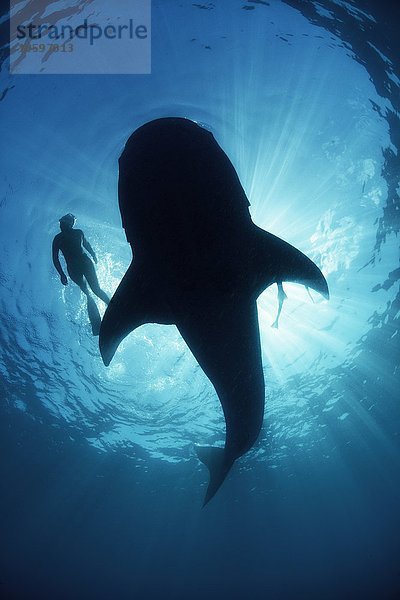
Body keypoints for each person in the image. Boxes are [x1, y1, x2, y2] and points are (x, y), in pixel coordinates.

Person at [52, 213, 109, 335]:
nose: (61, 224)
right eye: (61, 222)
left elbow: (86, 244)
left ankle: (112, 305)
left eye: (64, 222)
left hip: (84, 262)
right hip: (73, 268)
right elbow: (55, 258)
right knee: (88, 293)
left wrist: (93, 255)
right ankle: (96, 324)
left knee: (95, 289)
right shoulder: (57, 238)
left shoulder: (78, 232)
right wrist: (61, 274)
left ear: (70, 223)